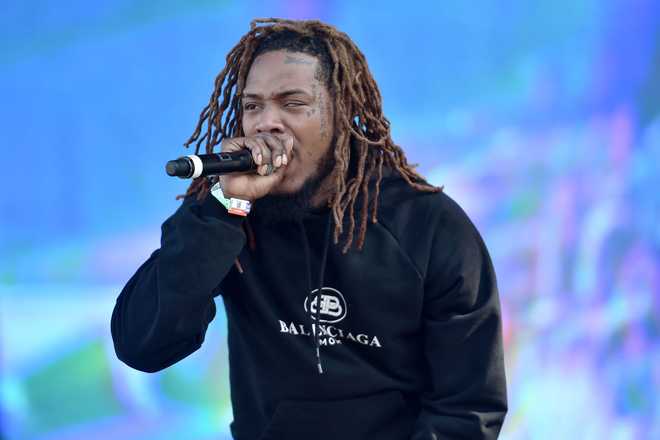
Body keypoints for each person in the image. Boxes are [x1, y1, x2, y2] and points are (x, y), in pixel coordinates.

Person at [111, 18, 507, 440]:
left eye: (293, 103)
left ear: (341, 112)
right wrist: (224, 208)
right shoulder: (228, 216)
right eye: (253, 106)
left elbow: (468, 409)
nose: (267, 123)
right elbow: (141, 344)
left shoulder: (429, 226)